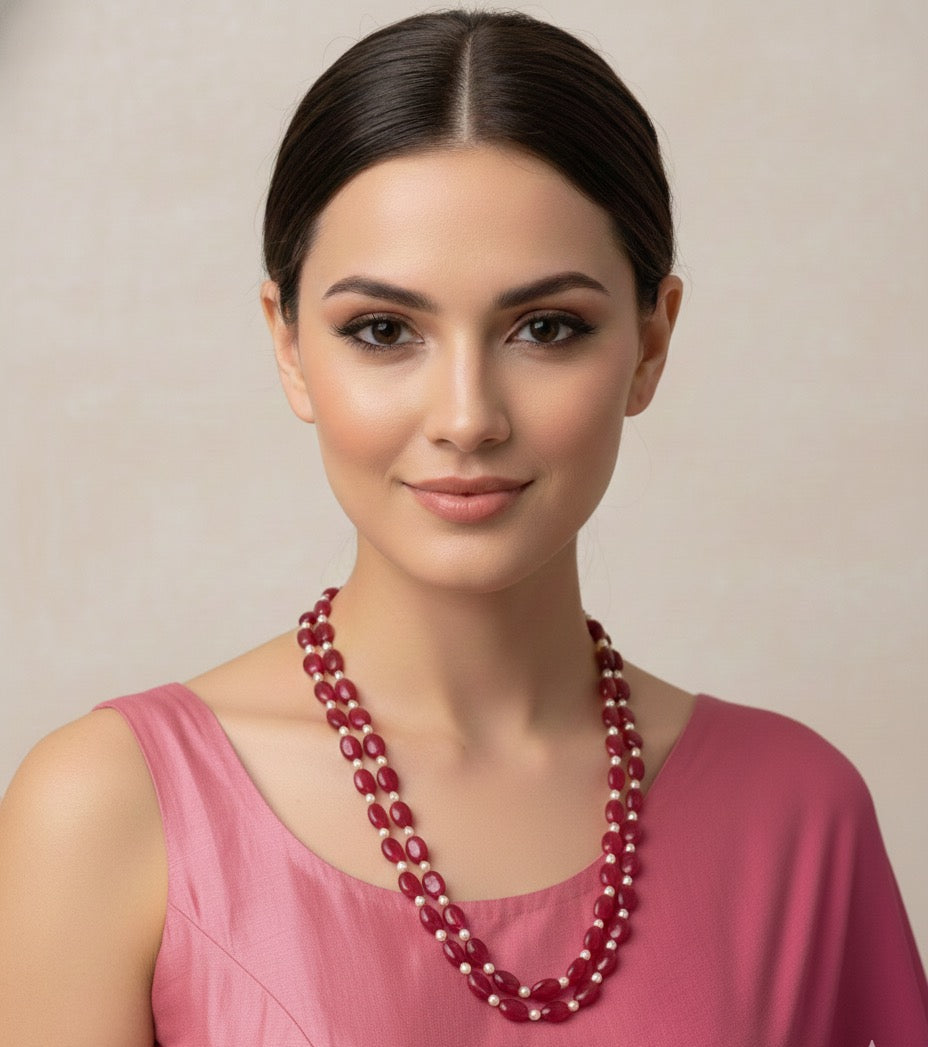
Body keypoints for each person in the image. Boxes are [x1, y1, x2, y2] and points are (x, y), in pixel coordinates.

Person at [0, 9, 925, 1045]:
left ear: (651, 343)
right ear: (291, 345)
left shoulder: (796, 814)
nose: (466, 417)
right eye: (383, 331)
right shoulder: (107, 810)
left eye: (546, 328)